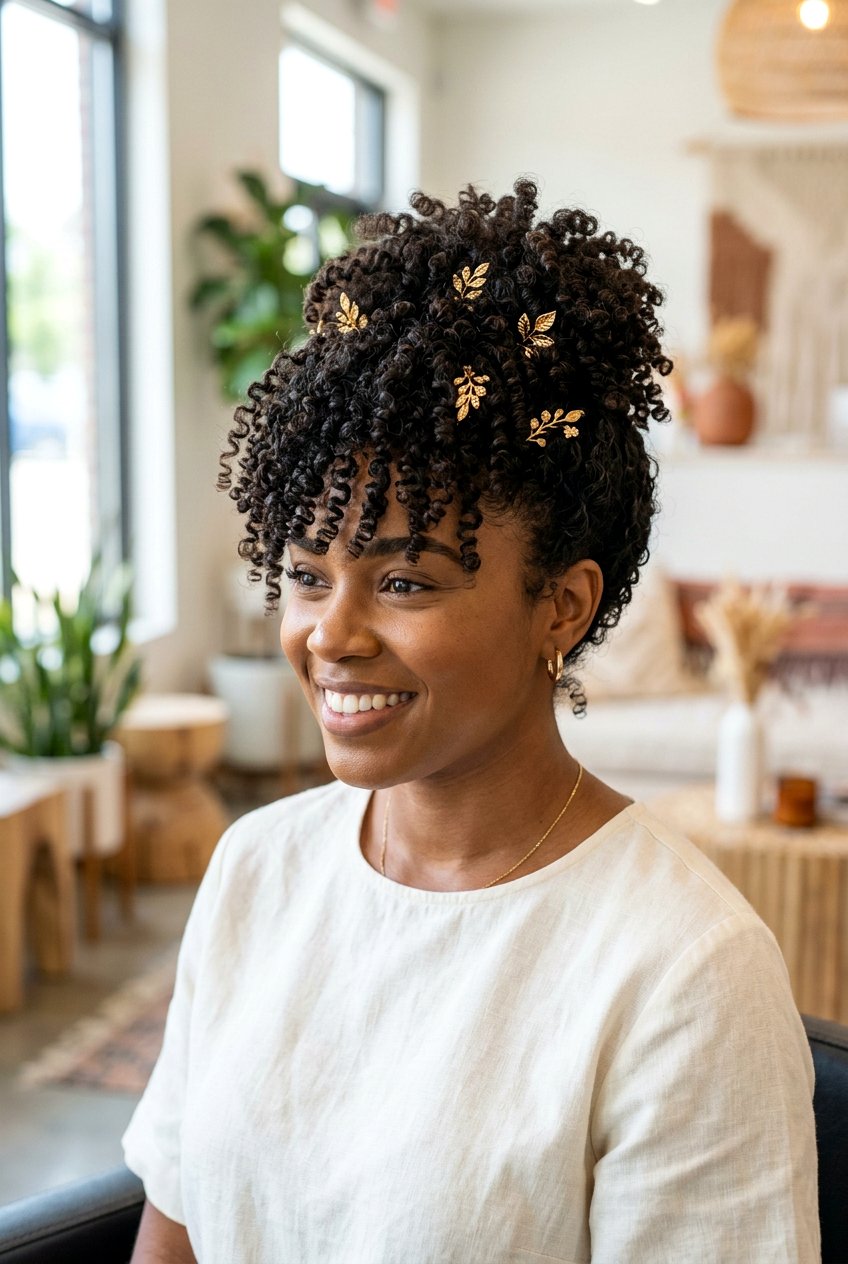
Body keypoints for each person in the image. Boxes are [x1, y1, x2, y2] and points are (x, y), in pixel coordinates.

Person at [124, 180, 819, 1263]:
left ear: (563, 604)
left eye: (404, 582)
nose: (329, 634)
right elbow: (173, 1230)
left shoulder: (683, 973)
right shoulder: (255, 869)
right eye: (306, 576)